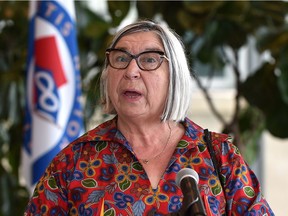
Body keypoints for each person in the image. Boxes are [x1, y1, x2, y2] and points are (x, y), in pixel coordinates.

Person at [24, 20, 274, 216]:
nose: (131, 71)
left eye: (149, 60)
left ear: (174, 76)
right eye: (121, 59)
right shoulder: (72, 163)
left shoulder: (220, 157)